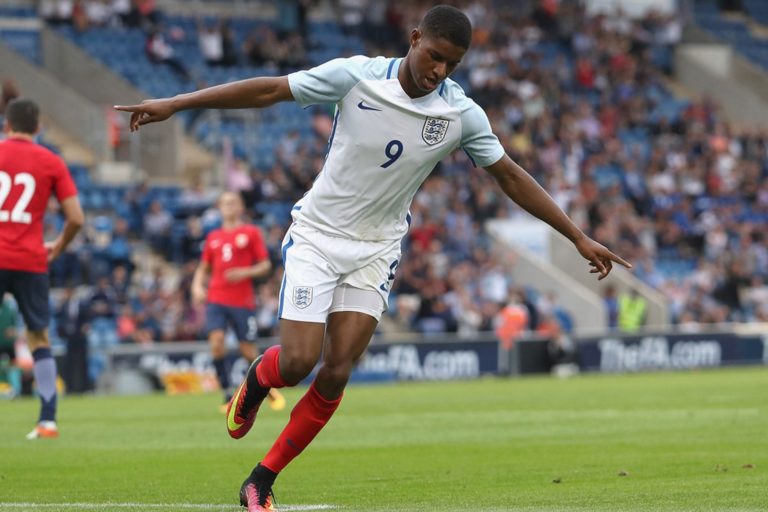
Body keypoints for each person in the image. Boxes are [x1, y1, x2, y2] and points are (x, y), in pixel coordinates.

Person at [115, 5, 630, 510]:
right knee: (297, 362)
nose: (439, 71)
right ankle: (258, 379)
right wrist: (177, 103)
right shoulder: (356, 77)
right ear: (414, 38)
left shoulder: (460, 114)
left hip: (376, 249)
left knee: (337, 370)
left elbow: (510, 175)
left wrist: (577, 236)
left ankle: (261, 480)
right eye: (434, 56)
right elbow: (270, 90)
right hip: (318, 236)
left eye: (452, 64)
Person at [0, 98, 84, 439]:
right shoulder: (51, 161)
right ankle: (48, 420)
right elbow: (76, 218)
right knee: (38, 336)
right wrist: (58, 246)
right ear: (38, 128)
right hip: (31, 258)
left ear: (7, 125)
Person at [191, 191, 285, 413]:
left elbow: (265, 265)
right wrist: (197, 286)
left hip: (242, 301)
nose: (229, 206)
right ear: (219, 208)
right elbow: (203, 267)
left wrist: (244, 272)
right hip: (216, 298)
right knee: (216, 342)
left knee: (248, 350)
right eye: (225, 203)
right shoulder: (213, 237)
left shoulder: (250, 233)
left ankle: (267, 388)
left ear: (241, 207)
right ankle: (226, 394)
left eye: (233, 202)